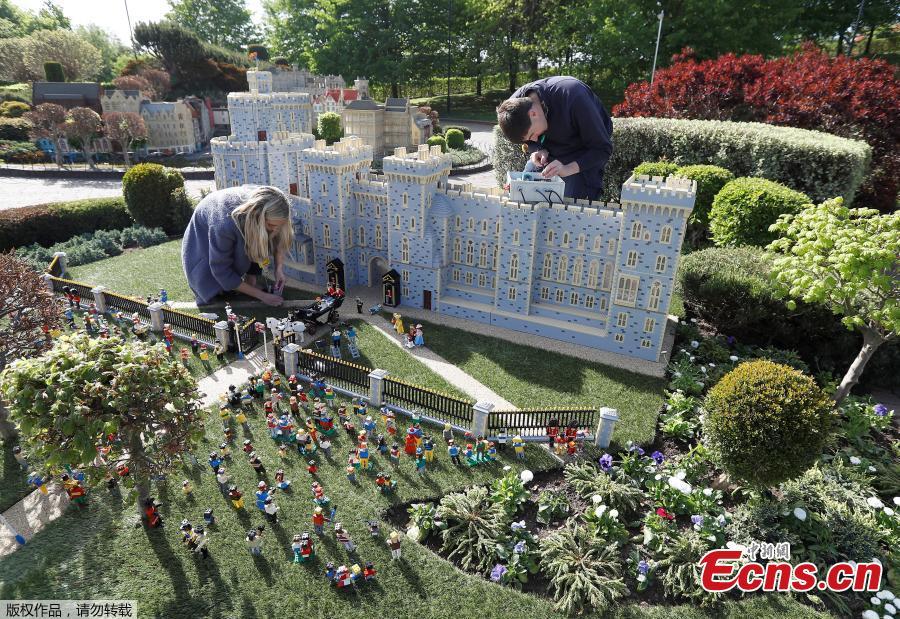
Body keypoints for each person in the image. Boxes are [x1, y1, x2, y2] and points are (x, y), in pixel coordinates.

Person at [496, 76, 613, 201]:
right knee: (523, 196)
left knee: (567, 207)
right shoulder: (513, 108)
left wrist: (567, 169)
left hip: (581, 152)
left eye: (532, 134)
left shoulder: (574, 96)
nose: (534, 139)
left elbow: (602, 149)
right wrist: (538, 149)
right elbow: (529, 141)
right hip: (550, 154)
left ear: (533, 114)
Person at [182, 185, 293, 307]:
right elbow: (221, 270)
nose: (274, 230)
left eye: (278, 226)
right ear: (256, 216)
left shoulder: (270, 202)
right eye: (271, 225)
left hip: (237, 223)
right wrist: (262, 296)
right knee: (215, 286)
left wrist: (278, 269)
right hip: (202, 246)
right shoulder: (225, 224)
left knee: (262, 237)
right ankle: (217, 286)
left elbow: (278, 238)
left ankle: (249, 282)